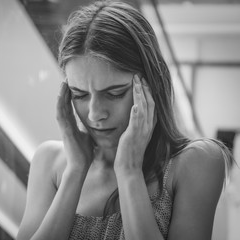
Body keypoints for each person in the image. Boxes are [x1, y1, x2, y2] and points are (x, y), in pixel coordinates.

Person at [17, 1, 234, 239]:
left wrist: (129, 172)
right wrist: (75, 172)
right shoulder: (50, 162)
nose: (94, 114)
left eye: (115, 93)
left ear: (152, 85)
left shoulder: (195, 162)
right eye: (80, 95)